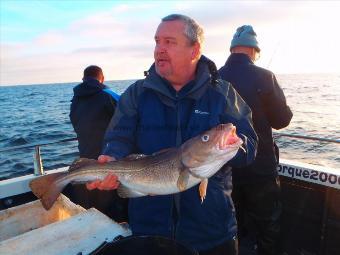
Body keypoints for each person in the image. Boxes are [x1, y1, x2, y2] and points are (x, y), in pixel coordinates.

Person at [87, 15, 258, 255]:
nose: (159, 50)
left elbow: (250, 145)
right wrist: (111, 156)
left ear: (194, 50)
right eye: (157, 42)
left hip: (212, 230)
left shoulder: (222, 93)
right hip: (150, 230)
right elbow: (119, 136)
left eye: (169, 42)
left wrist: (233, 148)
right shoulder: (137, 94)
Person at [219, 25, 293, 255]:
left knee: (232, 224)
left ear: (232, 49)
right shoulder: (265, 76)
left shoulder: (215, 77)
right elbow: (281, 120)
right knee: (268, 225)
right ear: (253, 51)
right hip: (260, 168)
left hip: (225, 168)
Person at [69, 65, 127, 222]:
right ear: (102, 78)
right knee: (113, 212)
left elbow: (75, 124)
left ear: (83, 79)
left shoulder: (75, 100)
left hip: (85, 162)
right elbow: (127, 120)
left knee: (90, 210)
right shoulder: (108, 95)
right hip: (108, 161)